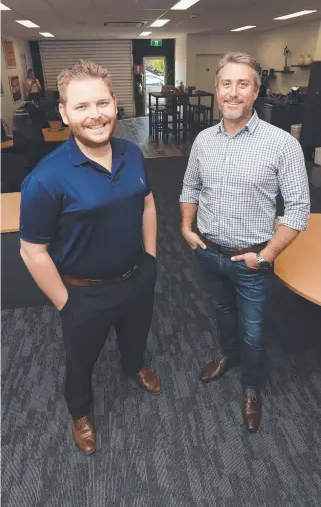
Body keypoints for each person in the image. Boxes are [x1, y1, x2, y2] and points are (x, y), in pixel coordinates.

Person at [20, 60, 162, 455]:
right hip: (84, 293)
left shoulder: (132, 153)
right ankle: (80, 412)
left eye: (102, 103)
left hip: (136, 277)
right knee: (81, 361)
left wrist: (150, 258)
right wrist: (66, 304)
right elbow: (31, 251)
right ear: (64, 113)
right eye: (82, 106)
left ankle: (133, 367)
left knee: (136, 337)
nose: (95, 115)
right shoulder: (45, 179)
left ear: (116, 104)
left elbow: (147, 204)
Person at [180, 52, 310, 432]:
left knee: (254, 331)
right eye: (226, 84)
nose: (233, 93)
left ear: (256, 91)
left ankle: (251, 386)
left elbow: (299, 209)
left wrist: (266, 255)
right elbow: (189, 186)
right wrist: (188, 230)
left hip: (252, 260)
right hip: (207, 251)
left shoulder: (281, 144)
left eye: (243, 84)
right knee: (222, 312)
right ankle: (228, 356)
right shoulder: (204, 140)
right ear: (216, 89)